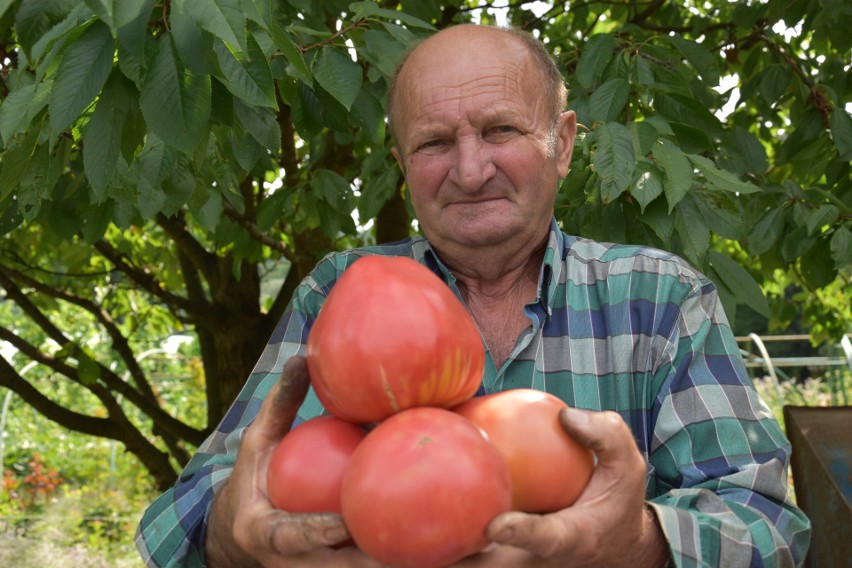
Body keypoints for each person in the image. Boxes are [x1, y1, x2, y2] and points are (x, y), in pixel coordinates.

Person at [135, 24, 811, 567]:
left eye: (500, 130)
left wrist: (636, 545)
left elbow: (766, 524)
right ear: (402, 166)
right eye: (433, 142)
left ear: (565, 143)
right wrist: (236, 533)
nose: (470, 168)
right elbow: (181, 521)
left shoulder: (659, 298)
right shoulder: (338, 291)